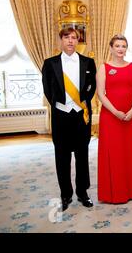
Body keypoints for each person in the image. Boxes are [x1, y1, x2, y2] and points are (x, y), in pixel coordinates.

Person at [42, 27, 96, 211]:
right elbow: (48, 90)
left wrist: (80, 103)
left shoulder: (88, 62)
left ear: (77, 41)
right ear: (61, 41)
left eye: (74, 38)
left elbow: (92, 87)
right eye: (67, 38)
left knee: (82, 156)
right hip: (61, 117)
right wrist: (62, 106)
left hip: (81, 116)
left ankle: (82, 192)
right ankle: (66, 194)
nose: (71, 41)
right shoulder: (50, 63)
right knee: (62, 157)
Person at [96, 34, 132, 203]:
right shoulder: (103, 67)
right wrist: (115, 111)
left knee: (129, 152)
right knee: (114, 153)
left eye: (123, 46)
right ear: (111, 48)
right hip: (110, 116)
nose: (120, 49)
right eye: (117, 46)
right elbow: (100, 93)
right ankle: (114, 192)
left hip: (129, 115)